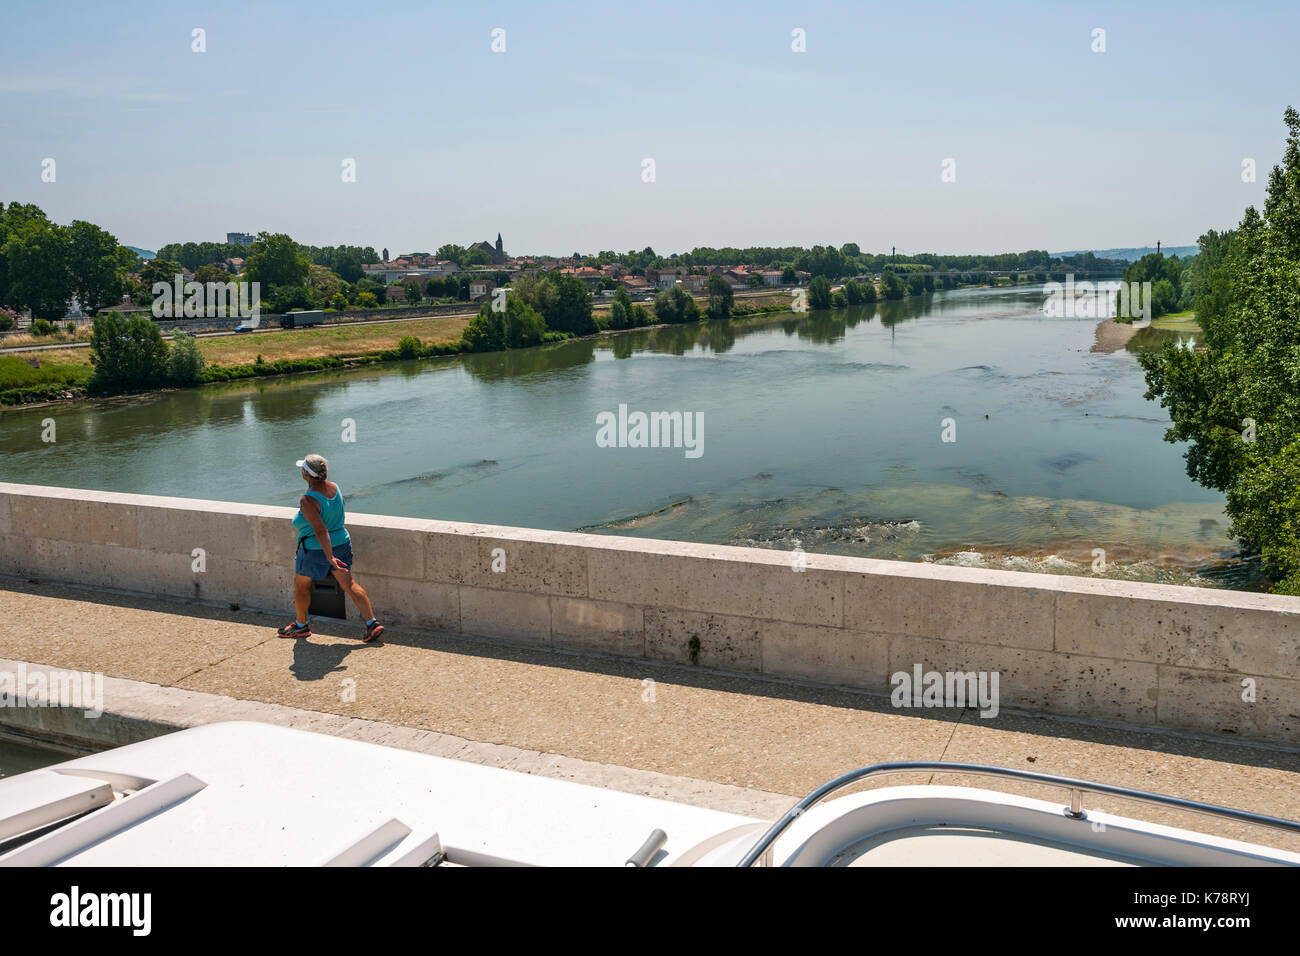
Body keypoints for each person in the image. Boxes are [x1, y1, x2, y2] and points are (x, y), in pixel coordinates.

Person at [277, 454, 384, 642]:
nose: (301, 471)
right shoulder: (335, 488)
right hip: (342, 542)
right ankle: (372, 623)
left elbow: (320, 530)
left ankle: (301, 626)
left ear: (306, 474)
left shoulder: (307, 500)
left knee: (301, 587)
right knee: (349, 584)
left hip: (315, 550)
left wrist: (329, 557)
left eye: (302, 468)